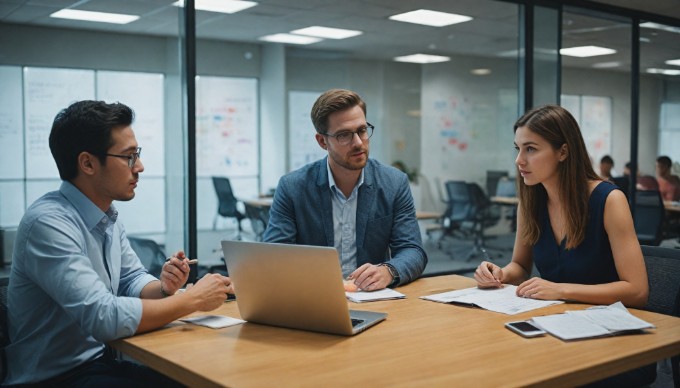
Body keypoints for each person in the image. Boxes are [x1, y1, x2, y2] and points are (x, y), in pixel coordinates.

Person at [5, 100, 234, 387]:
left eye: (137, 154)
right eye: (128, 157)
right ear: (87, 163)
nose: (139, 166)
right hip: (54, 378)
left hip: (99, 364)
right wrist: (193, 299)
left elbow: (131, 279)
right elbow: (102, 316)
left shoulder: (107, 214)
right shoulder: (48, 224)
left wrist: (164, 287)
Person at [474, 105, 654, 387]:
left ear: (563, 152)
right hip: (555, 326)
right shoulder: (532, 201)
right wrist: (499, 274)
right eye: (517, 149)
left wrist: (560, 290)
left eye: (531, 149)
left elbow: (638, 291)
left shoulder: (609, 200)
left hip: (611, 339)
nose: (519, 160)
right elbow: (520, 266)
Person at [263, 89, 427, 291]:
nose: (358, 142)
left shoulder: (394, 183)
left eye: (362, 130)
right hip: (315, 297)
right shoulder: (293, 187)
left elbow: (413, 251)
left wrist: (388, 270)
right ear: (323, 141)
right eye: (344, 135)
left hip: (373, 300)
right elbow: (275, 257)